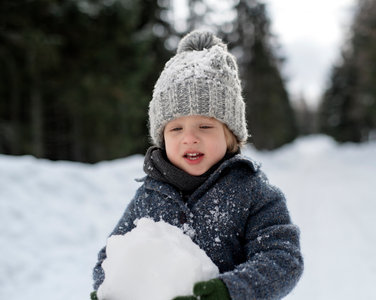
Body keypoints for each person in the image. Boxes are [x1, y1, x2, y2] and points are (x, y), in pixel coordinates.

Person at [91, 30, 303, 300]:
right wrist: (109, 288)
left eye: (205, 126)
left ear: (230, 135)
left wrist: (230, 291)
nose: (189, 138)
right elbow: (111, 255)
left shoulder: (253, 193)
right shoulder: (149, 196)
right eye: (176, 128)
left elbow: (283, 258)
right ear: (162, 138)